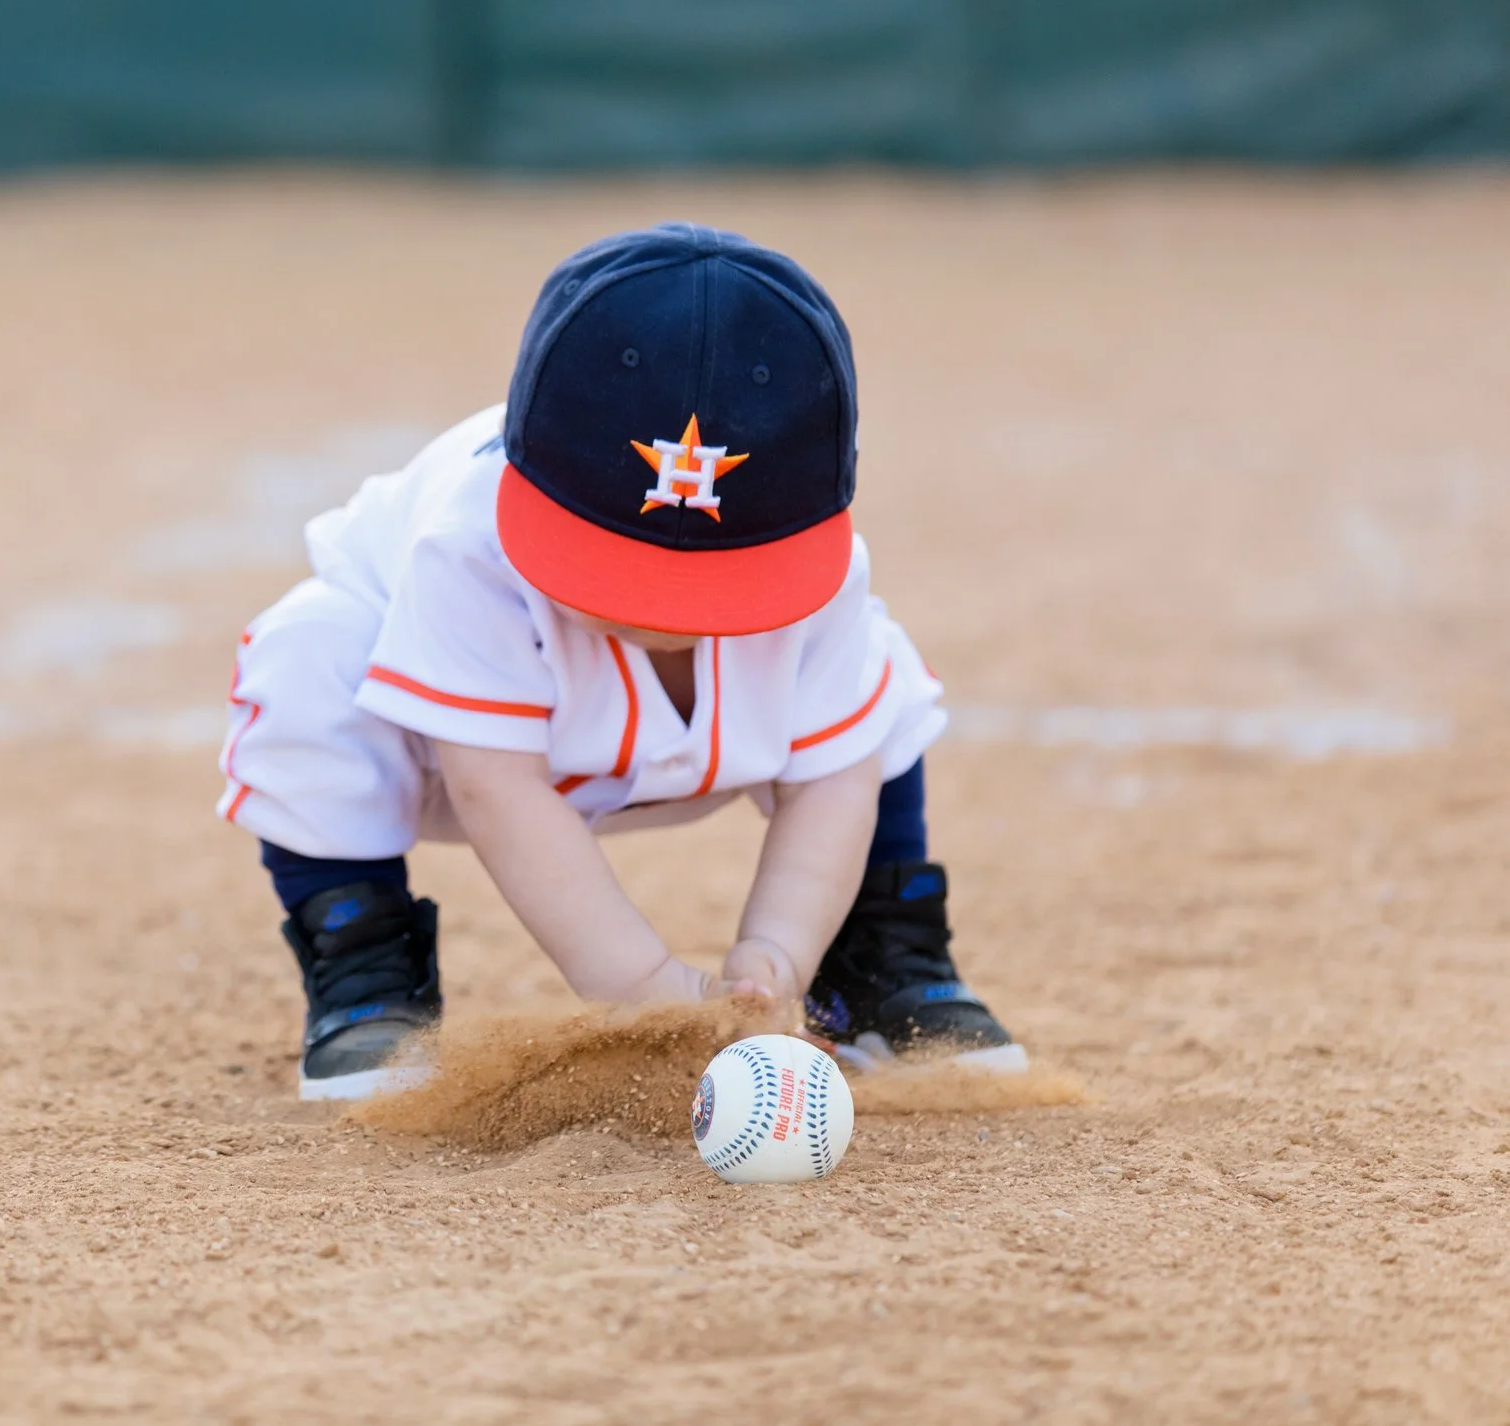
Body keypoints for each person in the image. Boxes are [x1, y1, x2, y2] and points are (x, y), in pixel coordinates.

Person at [217, 224, 1023, 1100]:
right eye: (622, 565)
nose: (661, 608)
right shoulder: (463, 546)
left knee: (880, 685)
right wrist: (651, 993)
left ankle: (875, 955)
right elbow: (499, 791)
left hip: (707, 738)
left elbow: (836, 778)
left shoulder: (826, 578)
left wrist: (779, 953)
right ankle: (363, 960)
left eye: (712, 580)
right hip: (448, 753)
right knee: (309, 657)